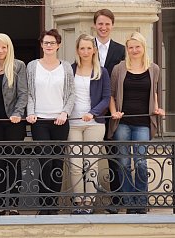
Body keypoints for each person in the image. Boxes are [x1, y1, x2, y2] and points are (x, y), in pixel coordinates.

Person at [108, 32, 164, 214]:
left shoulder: (153, 68)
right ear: (127, 49)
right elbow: (112, 94)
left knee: (140, 162)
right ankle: (129, 201)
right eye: (130, 47)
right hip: (122, 122)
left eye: (137, 46)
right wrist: (114, 111)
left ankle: (141, 201)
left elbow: (154, 92)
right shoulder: (119, 68)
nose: (134, 50)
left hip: (143, 123)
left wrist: (157, 109)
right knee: (124, 163)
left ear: (143, 47)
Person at [26, 29, 75, 215]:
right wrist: (30, 113)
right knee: (44, 161)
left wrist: (65, 112)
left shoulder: (66, 67)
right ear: (41, 45)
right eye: (46, 43)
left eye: (52, 43)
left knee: (57, 163)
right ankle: (43, 205)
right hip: (39, 121)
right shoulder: (32, 66)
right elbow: (30, 93)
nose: (49, 46)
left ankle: (54, 205)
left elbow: (71, 94)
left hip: (60, 121)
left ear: (58, 45)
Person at [68, 33, 110, 214]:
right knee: (76, 165)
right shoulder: (69, 69)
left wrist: (92, 113)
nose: (85, 51)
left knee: (91, 164)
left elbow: (106, 98)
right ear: (77, 50)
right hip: (72, 123)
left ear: (94, 50)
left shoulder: (102, 71)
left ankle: (89, 204)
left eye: (88, 48)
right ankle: (79, 203)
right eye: (82, 48)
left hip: (94, 124)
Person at [0, 33, 27, 215]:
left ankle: (14, 204)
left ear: (9, 48)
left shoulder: (18, 66)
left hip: (13, 122)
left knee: (13, 162)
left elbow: (23, 94)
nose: (0, 50)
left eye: (4, 47)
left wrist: (18, 113)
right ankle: (0, 203)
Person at [93, 8, 125, 214]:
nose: (103, 27)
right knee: (87, 155)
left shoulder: (121, 50)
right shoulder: (86, 46)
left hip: (113, 111)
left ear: (112, 26)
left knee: (115, 157)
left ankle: (117, 200)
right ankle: (84, 201)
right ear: (94, 25)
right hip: (91, 110)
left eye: (107, 24)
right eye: (100, 23)